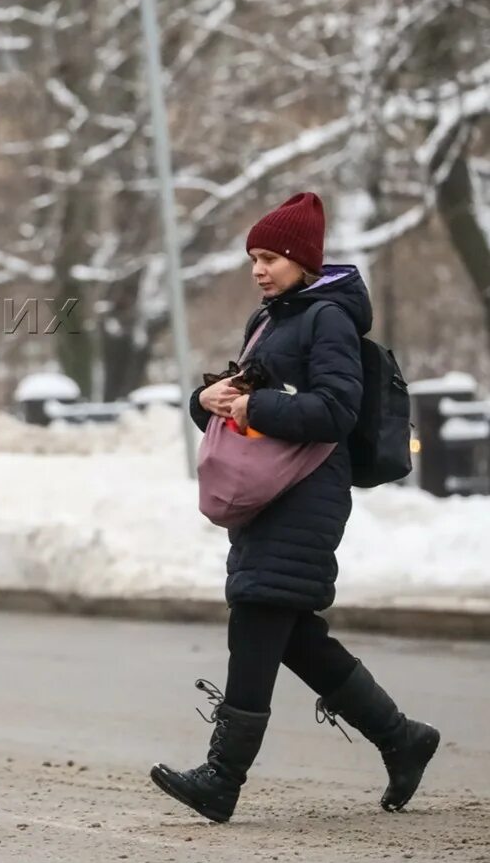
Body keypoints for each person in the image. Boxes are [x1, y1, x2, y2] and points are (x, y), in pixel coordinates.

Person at [151, 192, 440, 823]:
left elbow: (334, 410)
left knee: (257, 615)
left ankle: (222, 779)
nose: (259, 268)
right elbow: (260, 393)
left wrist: (254, 408)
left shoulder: (327, 318)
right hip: (274, 491)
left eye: (271, 257)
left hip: (306, 492)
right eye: (253, 257)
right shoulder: (275, 318)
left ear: (303, 261)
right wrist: (211, 398)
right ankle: (402, 738)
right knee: (293, 634)